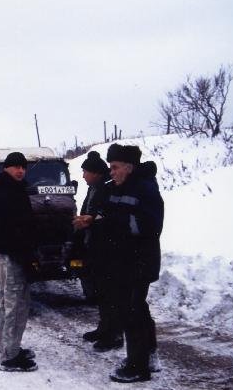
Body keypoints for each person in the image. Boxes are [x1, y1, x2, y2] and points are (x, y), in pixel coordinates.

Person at [94, 144, 163, 383]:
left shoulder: (145, 189)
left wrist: (111, 221)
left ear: (128, 167)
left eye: (114, 167)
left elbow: (149, 227)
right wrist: (95, 219)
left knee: (131, 312)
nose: (110, 172)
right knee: (138, 309)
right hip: (122, 262)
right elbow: (106, 215)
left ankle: (137, 366)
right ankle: (149, 356)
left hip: (139, 262)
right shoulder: (115, 187)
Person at [0, 152, 38, 372]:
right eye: (16, 167)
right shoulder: (6, 192)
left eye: (23, 167)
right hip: (13, 254)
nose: (20, 171)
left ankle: (9, 348)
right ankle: (9, 356)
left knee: (7, 302)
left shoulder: (7, 189)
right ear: (6, 168)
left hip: (8, 253)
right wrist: (25, 253)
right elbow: (12, 228)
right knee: (15, 304)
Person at [73, 151, 124, 352]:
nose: (83, 176)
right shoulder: (94, 188)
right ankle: (104, 329)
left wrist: (89, 222)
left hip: (107, 250)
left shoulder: (107, 190)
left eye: (85, 171)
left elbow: (107, 219)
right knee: (101, 293)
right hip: (95, 246)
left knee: (110, 294)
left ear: (95, 173)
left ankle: (114, 335)